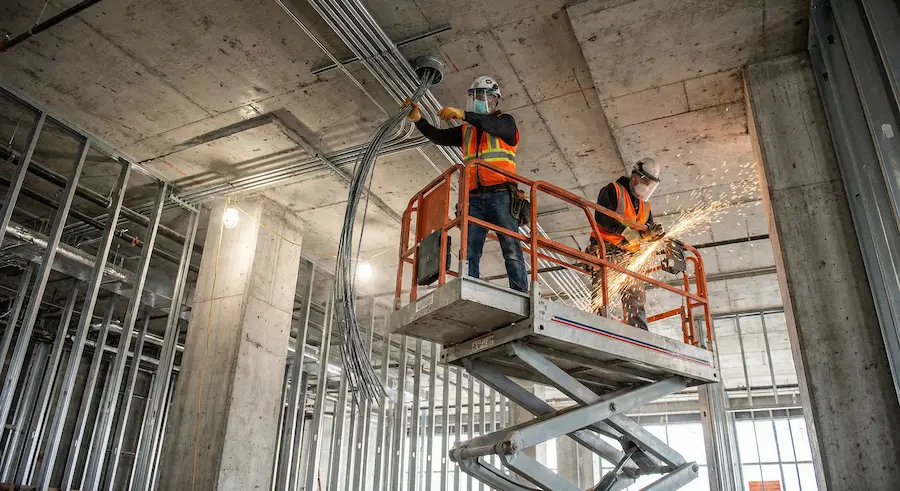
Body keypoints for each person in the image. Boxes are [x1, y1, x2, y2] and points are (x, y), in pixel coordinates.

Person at [404, 76, 528, 292]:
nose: (481, 100)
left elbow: (491, 125)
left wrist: (463, 114)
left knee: (511, 247)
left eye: (486, 96)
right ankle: (470, 289)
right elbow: (439, 136)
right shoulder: (467, 130)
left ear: (495, 101)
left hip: (502, 195)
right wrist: (419, 120)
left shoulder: (506, 123)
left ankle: (520, 292)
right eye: (476, 96)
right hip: (474, 199)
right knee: (469, 250)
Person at [587, 158, 665, 330]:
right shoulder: (613, 190)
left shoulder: (645, 206)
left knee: (635, 297)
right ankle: (600, 328)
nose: (647, 185)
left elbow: (642, 234)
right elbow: (602, 217)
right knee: (603, 295)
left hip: (630, 256)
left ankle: (640, 333)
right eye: (646, 181)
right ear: (635, 177)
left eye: (651, 183)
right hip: (606, 251)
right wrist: (625, 232)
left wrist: (650, 235)